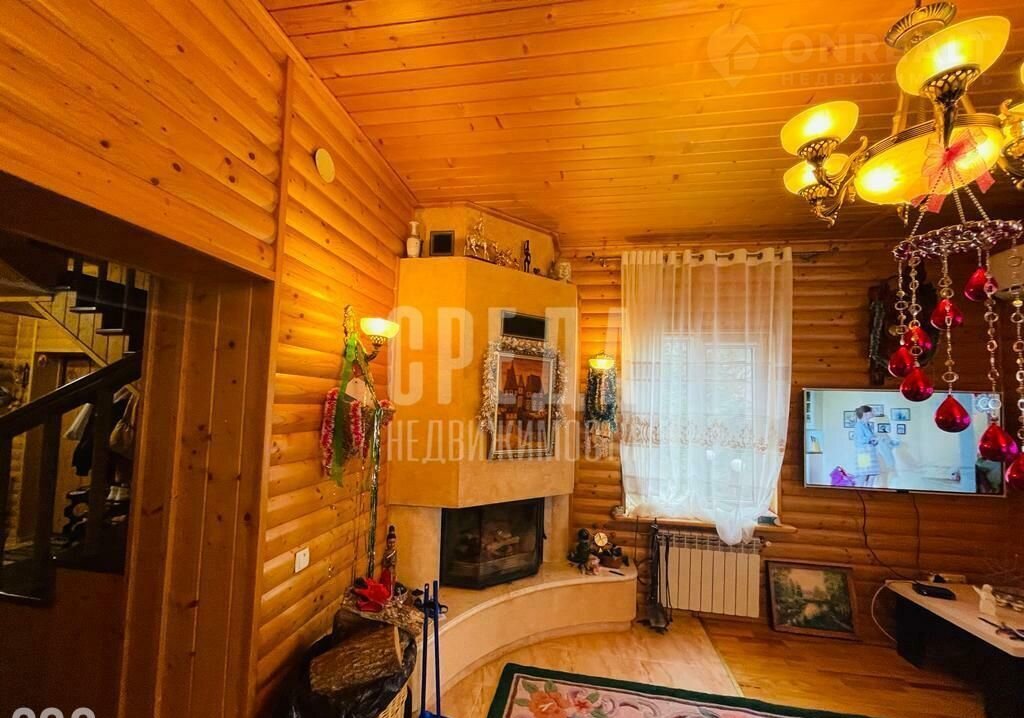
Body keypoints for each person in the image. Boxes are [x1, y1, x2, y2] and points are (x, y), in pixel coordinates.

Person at [852, 405, 880, 487]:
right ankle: (859, 492)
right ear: (865, 413)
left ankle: (868, 493)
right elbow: (859, 440)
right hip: (863, 453)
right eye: (871, 411)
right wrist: (871, 438)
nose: (873, 413)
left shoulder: (867, 425)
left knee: (872, 475)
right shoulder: (859, 425)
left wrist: (875, 441)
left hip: (870, 453)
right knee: (863, 475)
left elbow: (870, 439)